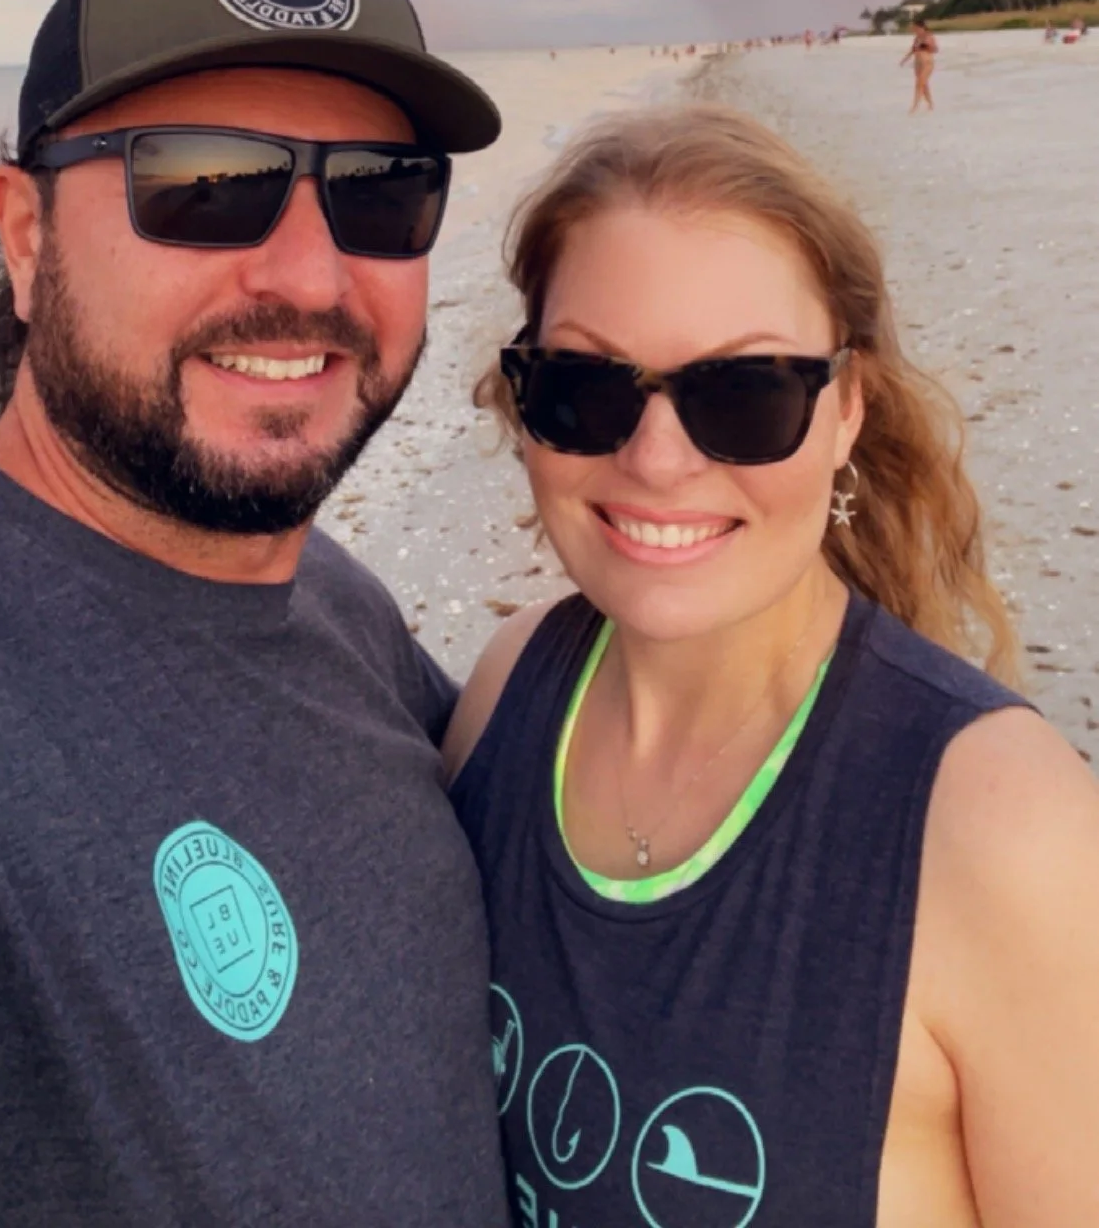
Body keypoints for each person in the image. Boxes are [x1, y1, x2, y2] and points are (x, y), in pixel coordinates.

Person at [0, 0, 511, 1227]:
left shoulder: (337, 604)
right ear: (24, 236)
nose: (309, 272)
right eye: (201, 180)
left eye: (381, 192)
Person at [445, 104, 1099, 1227]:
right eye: (587, 388)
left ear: (847, 408)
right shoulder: (508, 697)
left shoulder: (1003, 828)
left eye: (743, 395)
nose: (656, 460)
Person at [900, 17, 938, 111]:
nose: (914, 30)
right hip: (917, 64)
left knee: (919, 83)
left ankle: (915, 106)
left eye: (915, 28)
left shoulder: (929, 36)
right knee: (924, 85)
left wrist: (927, 46)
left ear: (921, 27)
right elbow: (912, 50)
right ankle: (930, 104)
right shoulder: (916, 38)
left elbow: (935, 49)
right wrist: (904, 60)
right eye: (914, 28)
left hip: (927, 63)